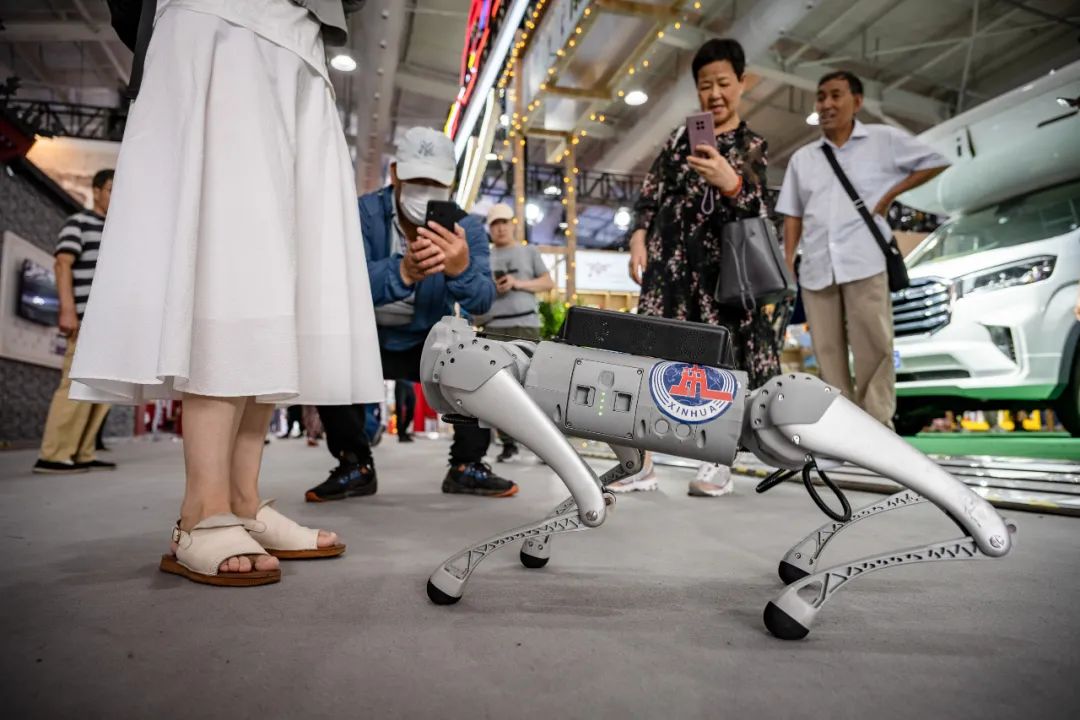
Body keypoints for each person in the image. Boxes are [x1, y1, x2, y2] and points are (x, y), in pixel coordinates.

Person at [69, 0, 384, 586]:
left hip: (301, 42)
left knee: (279, 276)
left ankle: (242, 500)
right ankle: (201, 509)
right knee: (230, 254)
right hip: (220, 17)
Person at [307, 127, 519, 502]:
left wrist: (461, 270)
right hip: (366, 335)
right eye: (417, 180)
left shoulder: (467, 227)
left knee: (479, 358)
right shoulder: (362, 213)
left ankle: (467, 464)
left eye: (435, 183)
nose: (425, 190)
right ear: (395, 174)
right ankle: (354, 463)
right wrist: (402, 272)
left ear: (450, 183)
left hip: (427, 339)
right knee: (326, 351)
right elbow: (337, 281)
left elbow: (483, 300)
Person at [622, 38, 785, 498]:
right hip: (668, 270)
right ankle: (640, 461)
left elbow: (760, 211)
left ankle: (717, 459)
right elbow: (650, 193)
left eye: (723, 83)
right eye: (705, 85)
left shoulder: (751, 145)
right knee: (651, 359)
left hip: (720, 275)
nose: (714, 94)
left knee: (718, 366)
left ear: (742, 83)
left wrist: (731, 183)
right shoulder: (680, 138)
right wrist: (638, 237)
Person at [777, 70, 949, 428]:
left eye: (835, 95)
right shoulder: (803, 159)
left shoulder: (883, 140)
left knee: (875, 346)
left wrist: (889, 196)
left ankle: (878, 427)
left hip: (865, 261)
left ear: (856, 101)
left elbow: (936, 160)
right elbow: (792, 214)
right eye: (821, 96)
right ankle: (842, 429)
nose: (826, 104)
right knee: (827, 352)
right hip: (817, 267)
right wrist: (788, 261)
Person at [32, 169, 117, 475]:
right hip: (86, 317)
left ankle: (82, 452)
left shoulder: (118, 231)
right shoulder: (78, 222)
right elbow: (62, 263)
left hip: (112, 323)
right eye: (111, 189)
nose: (117, 196)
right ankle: (53, 455)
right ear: (96, 191)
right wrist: (67, 310)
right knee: (75, 384)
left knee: (103, 390)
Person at [478, 202, 554, 462]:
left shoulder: (528, 251)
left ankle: (546, 447)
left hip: (525, 324)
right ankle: (508, 444)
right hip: (493, 326)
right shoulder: (484, 256)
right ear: (490, 229)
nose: (500, 228)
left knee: (534, 384)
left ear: (512, 224)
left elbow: (548, 282)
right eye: (495, 224)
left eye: (504, 222)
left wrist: (517, 283)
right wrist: (493, 289)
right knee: (495, 388)